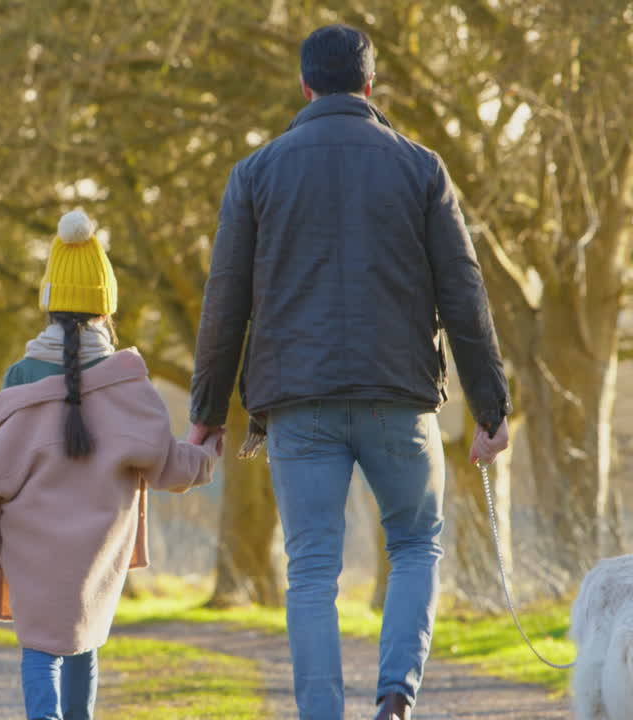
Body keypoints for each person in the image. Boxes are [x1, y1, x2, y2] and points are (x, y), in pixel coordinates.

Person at [188, 24, 511, 720]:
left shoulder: (255, 173)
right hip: (398, 397)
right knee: (417, 544)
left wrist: (208, 413)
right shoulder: (421, 167)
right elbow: (464, 291)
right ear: (371, 86)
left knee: (309, 571)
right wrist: (492, 409)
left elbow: (226, 302)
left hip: (297, 403)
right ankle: (395, 698)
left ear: (305, 87)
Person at [0, 210, 216, 720]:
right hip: (97, 548)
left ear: (48, 309)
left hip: (31, 543)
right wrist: (206, 452)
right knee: (84, 638)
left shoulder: (21, 375)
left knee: (39, 647)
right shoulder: (128, 384)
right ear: (105, 311)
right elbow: (168, 466)